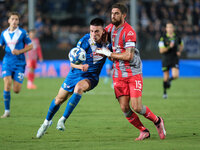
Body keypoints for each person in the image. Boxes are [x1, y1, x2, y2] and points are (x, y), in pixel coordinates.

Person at [96, 3, 166, 141]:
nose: (113, 16)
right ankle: (143, 131)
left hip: (133, 73)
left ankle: (157, 121)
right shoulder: (109, 29)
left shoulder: (129, 32)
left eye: (116, 13)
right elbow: (99, 36)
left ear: (124, 15)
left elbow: (129, 56)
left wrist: (109, 53)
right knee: (124, 108)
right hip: (118, 74)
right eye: (112, 13)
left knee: (137, 107)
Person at [36, 18, 109, 138]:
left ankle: (62, 120)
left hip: (91, 77)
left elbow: (112, 57)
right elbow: (72, 63)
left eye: (96, 31)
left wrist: (108, 53)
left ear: (103, 31)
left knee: (79, 88)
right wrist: (80, 66)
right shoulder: (84, 41)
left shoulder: (108, 43)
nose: (93, 34)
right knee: (59, 100)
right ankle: (46, 123)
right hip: (75, 73)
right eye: (91, 31)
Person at [0, 12, 33, 118]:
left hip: (20, 63)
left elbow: (31, 46)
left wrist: (20, 51)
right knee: (7, 83)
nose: (14, 21)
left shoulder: (22, 33)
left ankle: (16, 80)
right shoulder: (3, 34)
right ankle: (7, 111)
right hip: (7, 62)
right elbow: (2, 45)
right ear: (8, 20)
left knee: (16, 90)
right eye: (13, 19)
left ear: (18, 21)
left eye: (17, 19)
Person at [158, 22, 184, 99]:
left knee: (175, 76)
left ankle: (170, 80)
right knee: (165, 76)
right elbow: (161, 51)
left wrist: (179, 51)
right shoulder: (162, 38)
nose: (169, 29)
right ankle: (165, 92)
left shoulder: (177, 37)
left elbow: (181, 45)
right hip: (166, 59)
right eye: (168, 27)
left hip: (174, 58)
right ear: (166, 29)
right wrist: (169, 47)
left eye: (170, 27)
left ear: (173, 29)